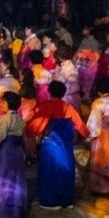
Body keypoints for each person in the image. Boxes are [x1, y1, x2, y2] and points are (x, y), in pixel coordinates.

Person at [27, 81, 88, 210]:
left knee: (49, 172)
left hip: (50, 146)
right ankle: (67, 200)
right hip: (65, 147)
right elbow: (81, 126)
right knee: (66, 171)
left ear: (49, 92)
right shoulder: (68, 107)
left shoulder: (46, 106)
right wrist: (87, 135)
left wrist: (29, 132)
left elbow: (35, 125)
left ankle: (50, 201)